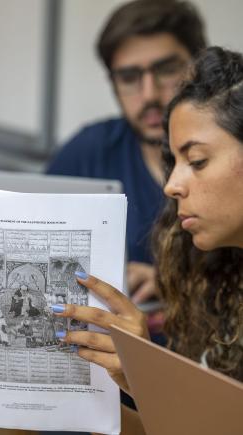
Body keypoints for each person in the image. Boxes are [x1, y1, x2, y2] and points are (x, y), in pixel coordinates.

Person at [53, 45, 243, 413]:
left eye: (197, 160)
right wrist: (134, 378)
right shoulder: (216, 280)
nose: (171, 185)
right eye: (173, 163)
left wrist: (149, 375)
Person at [46, 0, 207, 304]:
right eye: (129, 77)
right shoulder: (91, 149)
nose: (150, 94)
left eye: (167, 70)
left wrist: (176, 286)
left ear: (198, 68)